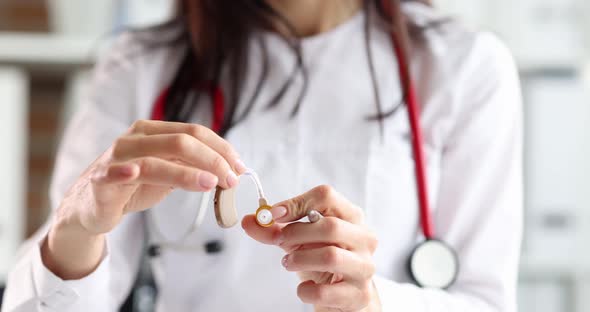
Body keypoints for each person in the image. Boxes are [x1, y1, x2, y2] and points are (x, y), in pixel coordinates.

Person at [1, 0, 523, 311]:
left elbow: (487, 302)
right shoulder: (141, 67)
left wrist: (376, 302)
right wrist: (75, 233)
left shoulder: (464, 69)